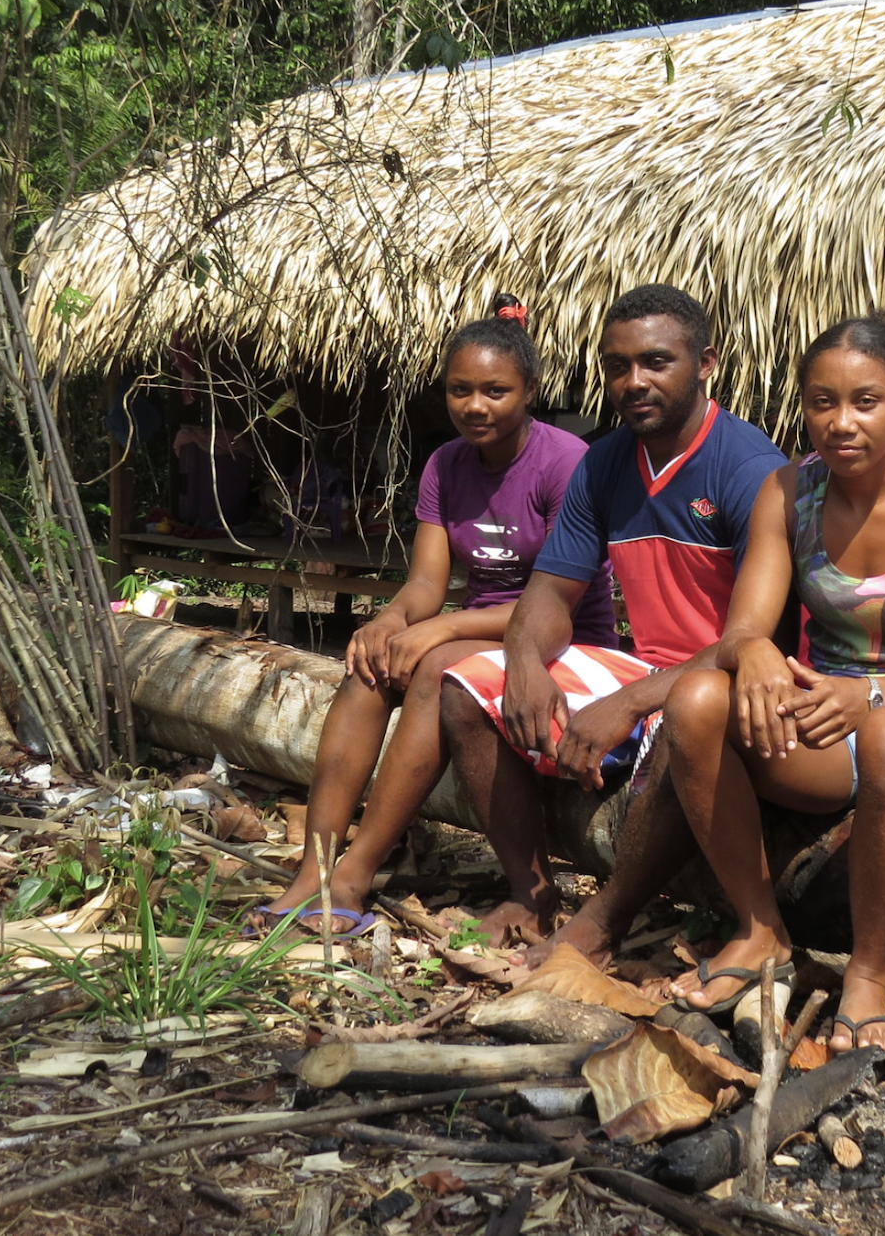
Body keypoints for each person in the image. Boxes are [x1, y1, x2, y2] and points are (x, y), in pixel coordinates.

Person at [658, 315, 885, 1051]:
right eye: (822, 402)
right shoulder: (789, 492)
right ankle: (760, 931)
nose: (840, 422)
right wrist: (751, 649)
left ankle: (869, 975)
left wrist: (874, 695)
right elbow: (742, 628)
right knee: (694, 700)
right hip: (828, 723)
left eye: (866, 401)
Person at [439, 284, 788, 949]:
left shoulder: (748, 469)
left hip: (726, 684)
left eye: (656, 362)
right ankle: (530, 895)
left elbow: (752, 642)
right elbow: (549, 593)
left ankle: (605, 920)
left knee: (686, 723)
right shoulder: (603, 462)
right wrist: (523, 662)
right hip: (648, 670)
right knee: (464, 691)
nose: (633, 382)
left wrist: (627, 705)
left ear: (705, 363)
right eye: (616, 365)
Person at [256, 301, 617, 934]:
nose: (476, 406)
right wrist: (391, 619)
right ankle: (313, 868)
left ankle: (354, 875)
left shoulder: (565, 465)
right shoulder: (445, 465)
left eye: (496, 391)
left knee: (437, 668)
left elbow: (553, 602)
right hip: (482, 629)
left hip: (560, 642)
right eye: (460, 390)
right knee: (370, 669)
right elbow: (427, 581)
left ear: (530, 391)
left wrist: (442, 628)